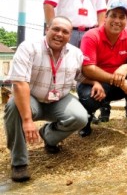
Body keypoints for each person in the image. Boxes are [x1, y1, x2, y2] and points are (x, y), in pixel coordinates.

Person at [4, 17, 92, 182]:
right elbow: (20, 83)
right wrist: (27, 120)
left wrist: (96, 83)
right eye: (56, 29)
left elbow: (81, 77)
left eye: (65, 32)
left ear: (70, 35)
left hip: (59, 99)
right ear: (47, 29)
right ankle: (19, 163)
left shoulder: (75, 53)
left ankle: (48, 136)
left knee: (81, 117)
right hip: (32, 98)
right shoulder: (28, 47)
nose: (60, 34)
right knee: (13, 106)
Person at [76, 1, 127, 140]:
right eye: (113, 16)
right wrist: (119, 81)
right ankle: (85, 121)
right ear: (105, 17)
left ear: (126, 20)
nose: (117, 21)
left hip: (118, 83)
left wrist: (125, 67)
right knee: (89, 99)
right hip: (96, 82)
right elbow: (88, 69)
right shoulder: (91, 36)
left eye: (122, 17)